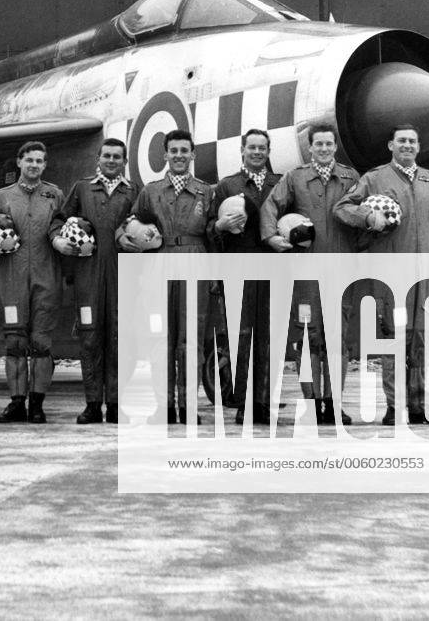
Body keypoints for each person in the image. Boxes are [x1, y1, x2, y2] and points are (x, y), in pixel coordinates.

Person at [334, 123, 429, 426]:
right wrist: (367, 216)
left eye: (412, 141)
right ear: (391, 146)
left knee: (420, 340)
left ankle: (418, 406)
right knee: (393, 338)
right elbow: (341, 206)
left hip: (424, 273)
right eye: (401, 141)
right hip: (390, 275)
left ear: (418, 146)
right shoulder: (374, 178)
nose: (407, 146)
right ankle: (394, 407)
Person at [260, 124, 359, 425]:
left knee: (336, 338)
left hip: (341, 269)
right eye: (319, 144)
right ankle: (314, 403)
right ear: (310, 146)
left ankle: (334, 403)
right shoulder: (296, 177)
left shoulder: (350, 178)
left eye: (329, 144)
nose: (325, 149)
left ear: (335, 146)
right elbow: (270, 206)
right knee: (308, 336)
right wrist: (271, 237)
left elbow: (362, 212)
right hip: (306, 273)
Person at [118, 129, 212, 424]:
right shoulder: (151, 191)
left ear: (193, 155)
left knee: (191, 338)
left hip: (195, 262)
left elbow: (214, 233)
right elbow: (131, 223)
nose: (179, 156)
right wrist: (126, 238)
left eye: (185, 151)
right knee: (160, 337)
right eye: (174, 151)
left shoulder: (206, 192)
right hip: (159, 264)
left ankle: (188, 406)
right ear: (165, 155)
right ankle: (163, 406)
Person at [51, 138, 137, 424]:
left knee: (118, 338)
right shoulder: (82, 188)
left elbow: (144, 226)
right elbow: (58, 220)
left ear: (124, 161)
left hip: (122, 275)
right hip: (88, 275)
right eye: (107, 156)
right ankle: (91, 404)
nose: (111, 161)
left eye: (117, 157)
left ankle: (114, 404)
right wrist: (60, 241)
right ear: (97, 158)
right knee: (89, 339)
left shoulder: (133, 191)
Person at [0, 141, 65, 424]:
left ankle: (37, 405)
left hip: (46, 278)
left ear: (45, 165)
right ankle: (17, 403)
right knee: (15, 343)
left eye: (39, 161)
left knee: (42, 343)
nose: (34, 165)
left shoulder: (55, 195)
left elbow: (63, 228)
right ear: (19, 162)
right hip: (11, 279)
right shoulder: (1, 197)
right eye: (29, 160)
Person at [210, 129, 281, 425]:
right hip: (239, 268)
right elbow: (209, 229)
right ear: (242, 150)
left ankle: (263, 401)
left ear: (268, 150)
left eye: (262, 147)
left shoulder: (280, 183)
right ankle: (244, 403)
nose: (257, 152)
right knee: (242, 337)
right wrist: (221, 225)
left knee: (270, 337)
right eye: (251, 147)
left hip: (274, 268)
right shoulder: (227, 186)